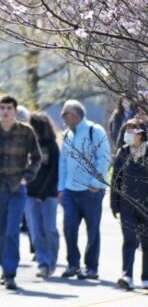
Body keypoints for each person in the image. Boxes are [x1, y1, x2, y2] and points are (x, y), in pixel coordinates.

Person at [0, 96, 42, 290]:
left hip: (17, 187)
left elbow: (37, 157)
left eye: (9, 108)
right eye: (2, 108)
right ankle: (5, 269)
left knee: (13, 230)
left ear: (14, 110)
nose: (5, 111)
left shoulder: (25, 131)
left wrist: (26, 177)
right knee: (1, 232)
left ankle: (11, 272)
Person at [58, 99, 112, 280]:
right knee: (69, 228)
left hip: (91, 191)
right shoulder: (67, 135)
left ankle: (91, 267)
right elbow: (63, 163)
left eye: (64, 114)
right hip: (70, 191)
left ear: (73, 115)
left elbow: (104, 158)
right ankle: (73, 264)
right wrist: (61, 188)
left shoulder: (94, 131)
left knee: (92, 230)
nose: (62, 118)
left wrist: (95, 184)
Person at [111, 121, 148, 290]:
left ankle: (146, 277)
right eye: (126, 131)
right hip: (127, 205)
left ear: (140, 134)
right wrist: (114, 204)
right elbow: (116, 181)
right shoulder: (123, 152)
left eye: (131, 131)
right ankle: (127, 275)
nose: (127, 135)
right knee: (129, 240)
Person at [24, 112, 61, 278]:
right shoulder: (26, 146)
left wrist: (43, 193)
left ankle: (52, 261)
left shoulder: (52, 146)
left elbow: (54, 172)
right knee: (36, 231)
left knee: (49, 229)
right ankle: (42, 263)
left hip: (48, 195)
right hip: (29, 195)